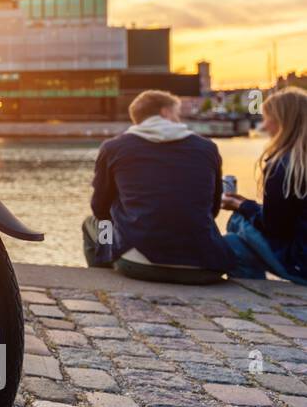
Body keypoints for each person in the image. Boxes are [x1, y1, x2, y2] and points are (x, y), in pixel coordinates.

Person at [83, 89, 231, 277]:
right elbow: (213, 209)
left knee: (94, 223)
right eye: (177, 113)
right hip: (205, 266)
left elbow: (99, 208)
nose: (179, 118)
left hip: (138, 264)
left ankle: (103, 275)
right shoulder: (207, 148)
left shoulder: (114, 148)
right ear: (165, 112)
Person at [221, 87, 307, 284]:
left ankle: (252, 292)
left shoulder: (283, 164)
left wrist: (239, 206)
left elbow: (276, 228)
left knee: (234, 235)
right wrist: (247, 203)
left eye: (267, 118)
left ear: (282, 122)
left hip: (301, 265)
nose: (265, 126)